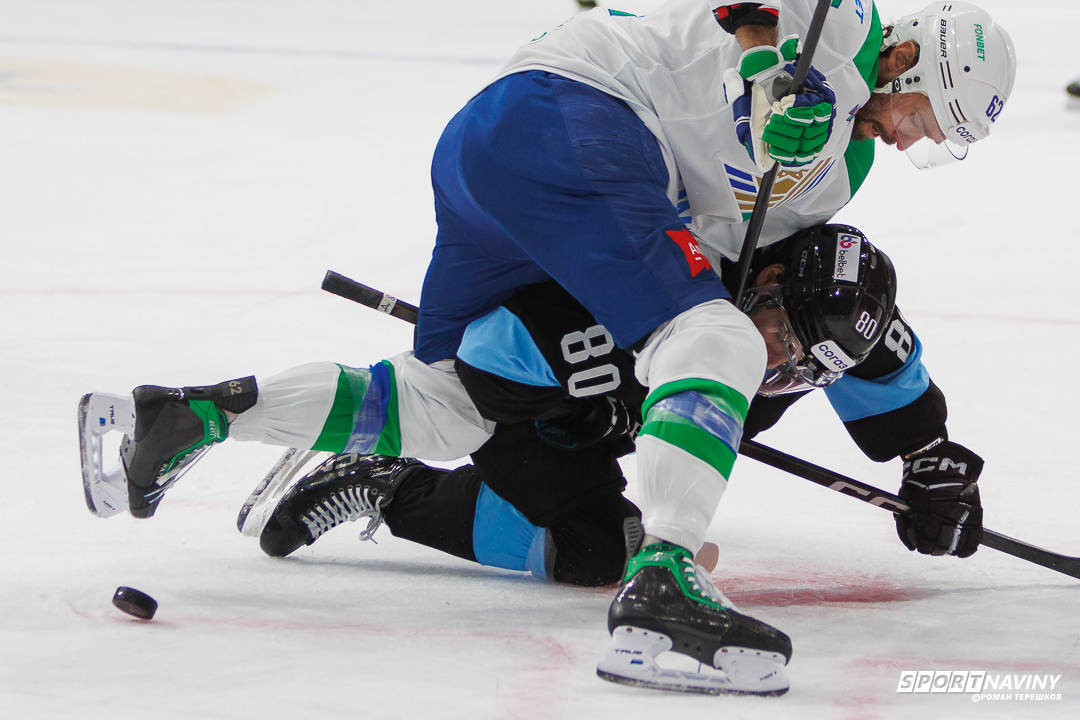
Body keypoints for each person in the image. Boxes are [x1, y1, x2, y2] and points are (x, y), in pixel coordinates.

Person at [78, 0, 1010, 696]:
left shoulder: (835, 178)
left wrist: (925, 451)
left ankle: (196, 416)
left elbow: (821, 307)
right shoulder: (838, 20)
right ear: (908, 57)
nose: (910, 141)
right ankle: (666, 584)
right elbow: (749, 17)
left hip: (498, 150)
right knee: (714, 334)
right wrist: (768, 67)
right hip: (585, 116)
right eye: (925, 118)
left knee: (450, 403)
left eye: (934, 142)